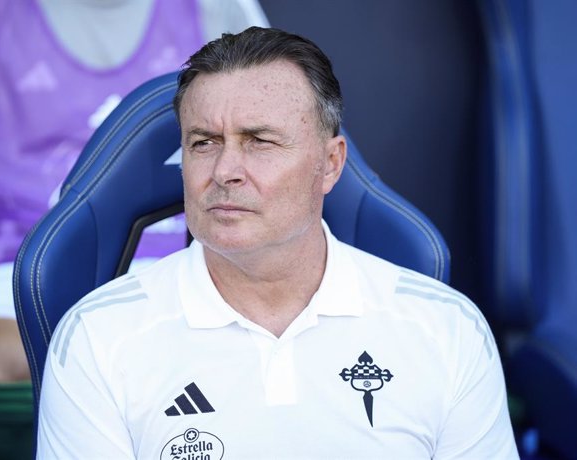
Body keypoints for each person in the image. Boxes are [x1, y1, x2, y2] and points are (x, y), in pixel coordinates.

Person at [37, 26, 519, 458]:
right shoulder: (98, 339)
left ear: (330, 164)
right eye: (203, 142)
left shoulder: (446, 331)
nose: (224, 172)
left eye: (259, 141)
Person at [0, 0, 268, 457]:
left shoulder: (218, 7)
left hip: (185, 258)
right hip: (19, 268)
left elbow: (281, 149)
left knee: (241, 356)